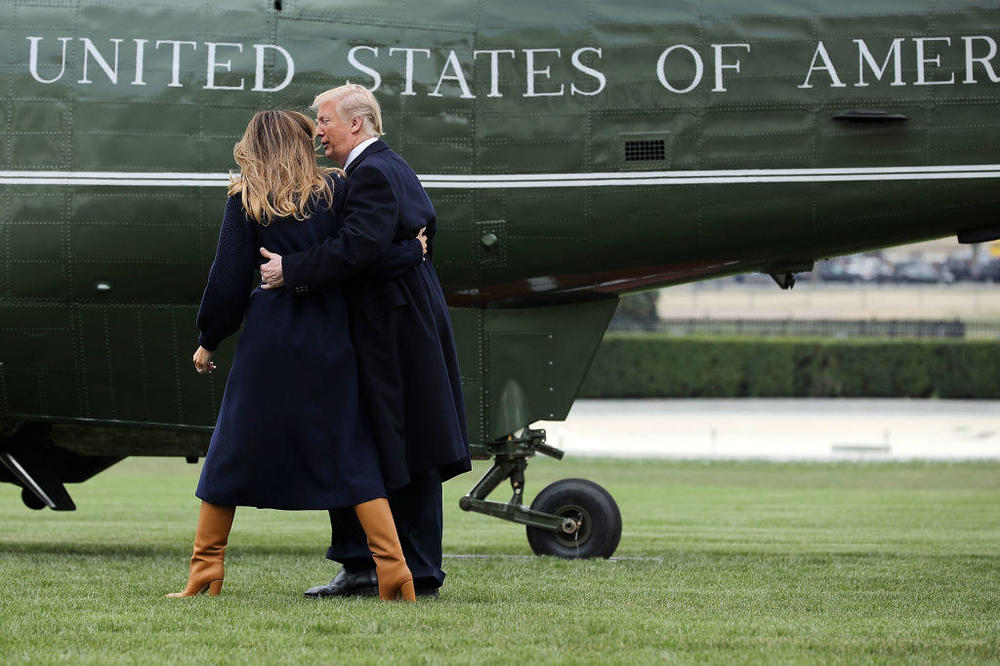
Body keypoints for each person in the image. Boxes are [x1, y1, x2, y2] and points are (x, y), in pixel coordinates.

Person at [169, 110, 425, 602]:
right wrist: (411, 253)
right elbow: (362, 254)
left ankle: (206, 570)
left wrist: (208, 338)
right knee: (350, 452)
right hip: (331, 337)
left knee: (231, 450)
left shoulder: (247, 197)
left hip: (270, 340)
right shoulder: (336, 189)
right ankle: (395, 571)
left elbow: (227, 281)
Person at [258, 85, 471, 598]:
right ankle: (378, 565)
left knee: (394, 443)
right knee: (385, 441)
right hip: (397, 322)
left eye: (324, 120)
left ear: (356, 123)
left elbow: (357, 247)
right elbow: (403, 242)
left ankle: (401, 569)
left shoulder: (372, 171)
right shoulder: (389, 167)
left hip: (390, 328)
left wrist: (291, 270)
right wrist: (408, 254)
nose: (317, 131)